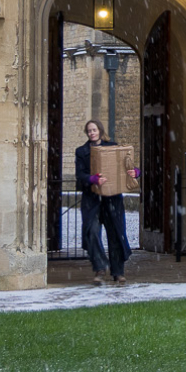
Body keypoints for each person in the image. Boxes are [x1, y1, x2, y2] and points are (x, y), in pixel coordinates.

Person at [75, 120, 138, 286]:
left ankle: (118, 272)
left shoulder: (113, 148)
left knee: (116, 234)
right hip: (92, 200)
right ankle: (100, 267)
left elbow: (127, 166)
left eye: (94, 130)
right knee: (92, 231)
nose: (92, 133)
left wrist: (135, 172)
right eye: (89, 131)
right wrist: (92, 179)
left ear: (100, 131)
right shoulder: (81, 152)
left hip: (112, 199)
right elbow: (80, 175)